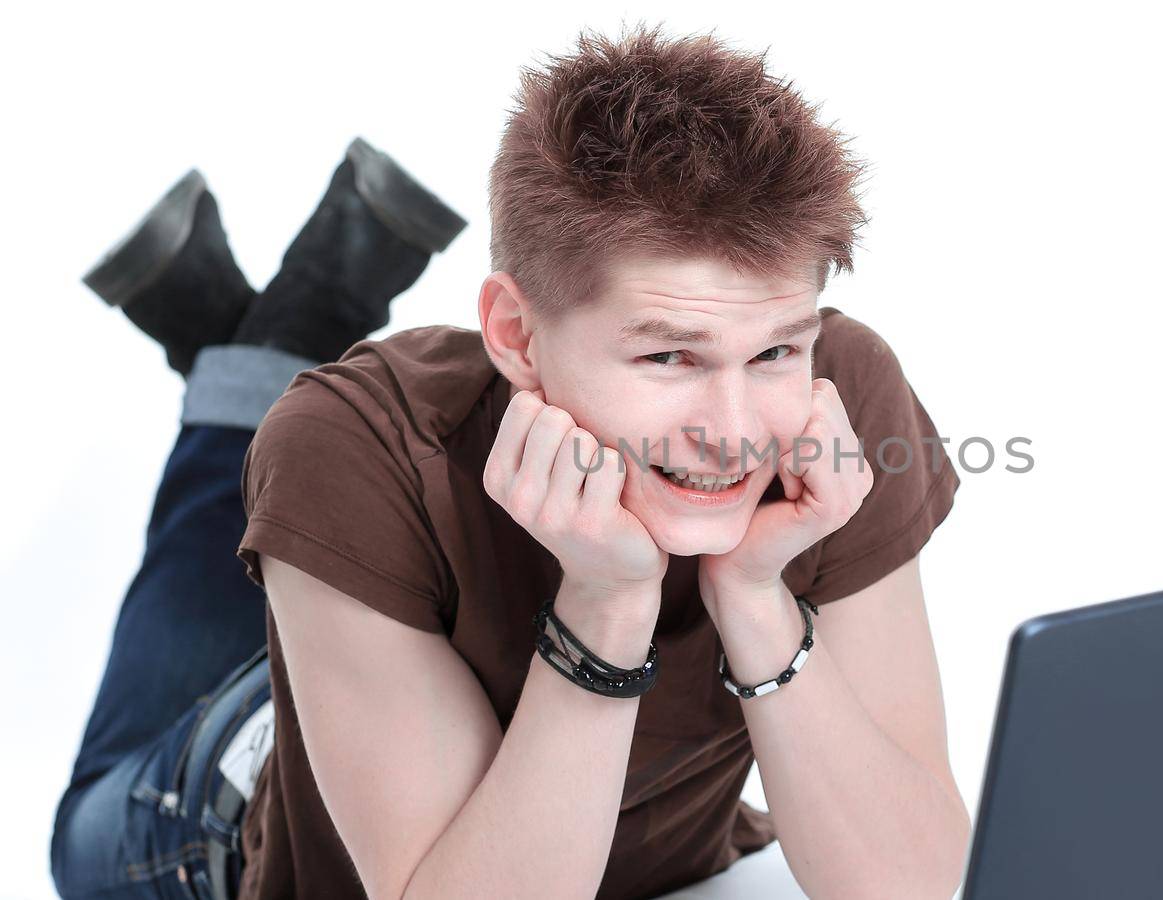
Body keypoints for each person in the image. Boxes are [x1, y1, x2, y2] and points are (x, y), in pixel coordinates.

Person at [56, 22, 969, 900]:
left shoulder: (835, 397)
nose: (735, 434)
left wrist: (757, 590)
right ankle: (284, 342)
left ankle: (269, 326)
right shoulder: (354, 445)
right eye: (668, 357)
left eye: (773, 350)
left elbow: (907, 886)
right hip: (223, 802)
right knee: (85, 817)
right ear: (515, 335)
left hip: (381, 627)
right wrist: (606, 603)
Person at [52, 136, 467, 900]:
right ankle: (287, 317)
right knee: (83, 842)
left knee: (85, 843)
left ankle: (261, 321)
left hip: (261, 747)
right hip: (257, 771)